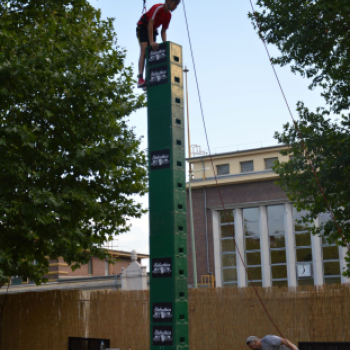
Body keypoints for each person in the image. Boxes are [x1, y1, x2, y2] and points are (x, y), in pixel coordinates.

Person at [136, 0, 180, 88]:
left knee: (152, 53)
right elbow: (150, 24)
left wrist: (165, 45)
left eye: (177, 5)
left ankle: (149, 78)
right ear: (168, 1)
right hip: (144, 26)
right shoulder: (158, 8)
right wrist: (151, 42)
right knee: (144, 50)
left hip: (154, 30)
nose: (175, 7)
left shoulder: (168, 15)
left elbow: (163, 31)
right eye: (175, 4)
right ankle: (140, 78)